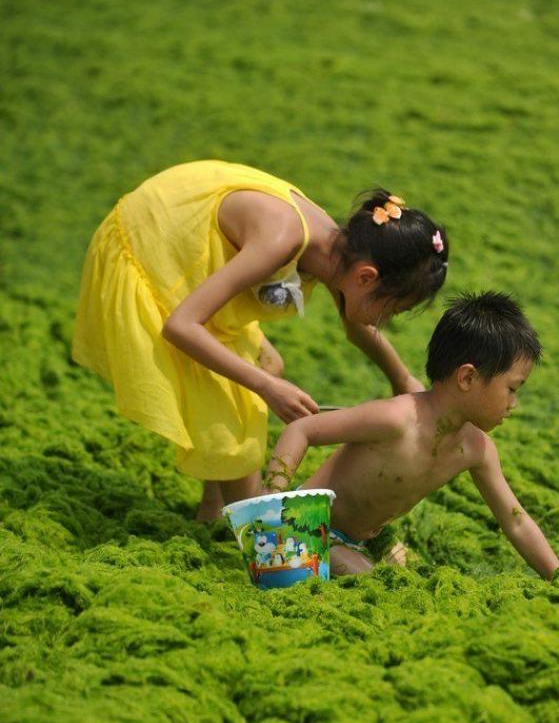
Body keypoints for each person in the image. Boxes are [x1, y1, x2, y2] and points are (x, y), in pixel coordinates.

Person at [71, 161, 448, 519]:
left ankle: (213, 513)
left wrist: (403, 381)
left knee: (269, 365)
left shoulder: (342, 251)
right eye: (389, 313)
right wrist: (268, 388)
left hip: (185, 240)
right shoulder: (282, 238)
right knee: (242, 400)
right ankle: (253, 527)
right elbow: (182, 325)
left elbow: (356, 327)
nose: (384, 322)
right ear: (366, 278)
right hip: (152, 246)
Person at [262, 292, 559, 579]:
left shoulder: (477, 449)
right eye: (511, 389)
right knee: (377, 581)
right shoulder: (395, 419)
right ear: (468, 377)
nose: (514, 404)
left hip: (369, 538)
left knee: (407, 572)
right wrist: (269, 507)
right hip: (309, 527)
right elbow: (300, 429)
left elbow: (516, 521)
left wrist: (558, 578)